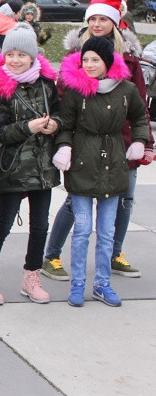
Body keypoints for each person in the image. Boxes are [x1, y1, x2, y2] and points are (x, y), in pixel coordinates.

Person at [43, 0, 154, 280]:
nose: (96, 23)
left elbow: (140, 107)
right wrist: (65, 143)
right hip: (85, 141)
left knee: (125, 199)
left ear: (115, 22)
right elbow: (64, 103)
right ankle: (51, 255)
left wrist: (146, 144)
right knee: (75, 202)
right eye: (92, 18)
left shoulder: (129, 60)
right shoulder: (76, 57)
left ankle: (114, 253)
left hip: (123, 141)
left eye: (103, 18)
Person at [53, 36, 148, 307]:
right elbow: (65, 124)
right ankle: (78, 284)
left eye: (95, 59)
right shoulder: (75, 92)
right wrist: (64, 147)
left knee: (106, 233)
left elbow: (140, 117)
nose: (89, 64)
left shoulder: (126, 90)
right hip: (83, 164)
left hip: (114, 164)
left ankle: (103, 284)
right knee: (82, 229)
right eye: (85, 60)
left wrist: (140, 141)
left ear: (107, 61)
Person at [0, 23, 61, 306]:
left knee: (40, 225)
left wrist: (55, 125)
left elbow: (61, 115)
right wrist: (29, 126)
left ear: (33, 56)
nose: (15, 59)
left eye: (21, 54)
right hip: (12, 166)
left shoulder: (47, 84)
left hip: (43, 166)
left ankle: (32, 277)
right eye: (9, 53)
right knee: (4, 222)